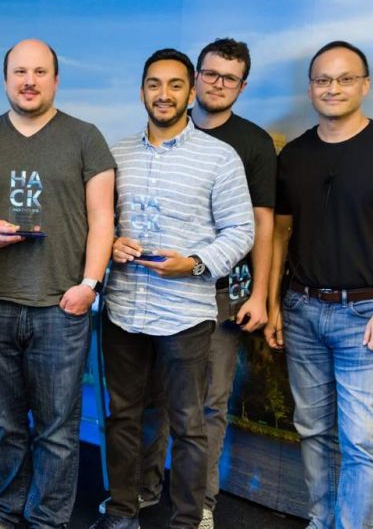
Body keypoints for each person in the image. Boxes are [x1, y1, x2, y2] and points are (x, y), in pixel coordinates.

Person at [264, 41, 373, 529]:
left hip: (367, 316)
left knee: (361, 441)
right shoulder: (295, 155)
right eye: (323, 80)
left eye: (345, 79)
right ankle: (322, 522)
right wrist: (276, 301)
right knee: (312, 430)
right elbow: (280, 233)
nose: (333, 88)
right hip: (301, 310)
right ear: (310, 88)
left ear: (365, 84)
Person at [112, 38, 276, 529]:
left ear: (190, 94)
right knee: (122, 419)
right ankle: (121, 511)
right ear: (141, 91)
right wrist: (109, 246)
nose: (164, 94)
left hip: (185, 312)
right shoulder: (115, 153)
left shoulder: (220, 157)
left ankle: (187, 519)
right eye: (154, 84)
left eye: (175, 85)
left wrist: (197, 263)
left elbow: (243, 230)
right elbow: (96, 223)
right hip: (123, 308)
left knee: (188, 425)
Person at [0, 39, 116, 529]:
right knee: (5, 425)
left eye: (40, 72)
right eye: (19, 72)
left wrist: (89, 284)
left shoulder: (86, 137)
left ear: (55, 79)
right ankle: (5, 512)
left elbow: (103, 219)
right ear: (5, 79)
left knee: (56, 428)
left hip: (62, 304)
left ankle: (47, 519)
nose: (29, 81)